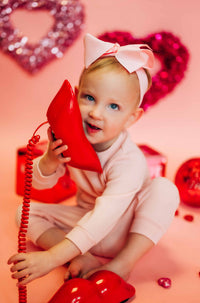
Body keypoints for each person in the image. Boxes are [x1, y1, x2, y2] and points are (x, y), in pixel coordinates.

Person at [8, 33, 179, 286]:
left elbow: (106, 215)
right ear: (76, 96)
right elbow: (37, 186)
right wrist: (50, 161)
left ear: (132, 118)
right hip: (84, 221)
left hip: (125, 229)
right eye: (89, 98)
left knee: (164, 189)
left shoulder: (128, 160)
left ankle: (123, 263)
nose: (96, 113)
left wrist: (52, 258)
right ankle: (83, 257)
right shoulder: (73, 137)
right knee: (23, 211)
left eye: (113, 107)